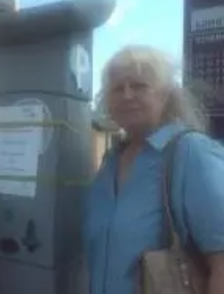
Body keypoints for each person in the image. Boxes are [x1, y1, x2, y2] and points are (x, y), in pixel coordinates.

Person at [84, 45, 224, 294]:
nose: (127, 95)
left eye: (139, 85)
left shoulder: (191, 152)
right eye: (117, 88)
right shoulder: (110, 162)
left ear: (166, 96)